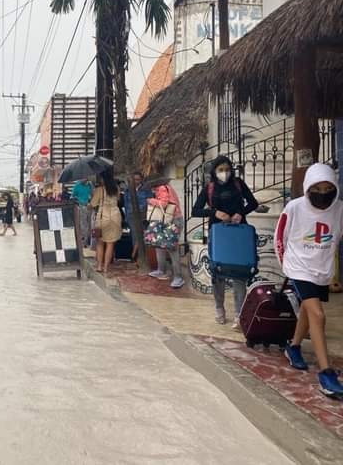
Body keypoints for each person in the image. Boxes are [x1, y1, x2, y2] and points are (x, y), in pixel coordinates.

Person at [275, 163, 343, 398]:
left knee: (307, 308)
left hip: (322, 269)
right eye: (317, 187)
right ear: (308, 187)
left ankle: (293, 347)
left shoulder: (339, 209)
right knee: (318, 315)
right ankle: (326, 373)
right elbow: (280, 235)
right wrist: (286, 265)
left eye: (327, 188)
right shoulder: (294, 207)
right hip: (299, 267)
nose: (323, 193)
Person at [192, 155, 259, 327]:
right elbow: (196, 210)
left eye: (227, 169)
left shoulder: (238, 184)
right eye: (221, 170)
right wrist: (214, 212)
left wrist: (241, 213)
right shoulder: (210, 187)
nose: (225, 173)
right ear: (214, 171)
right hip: (218, 234)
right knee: (218, 273)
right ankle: (219, 308)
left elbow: (253, 202)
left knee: (240, 272)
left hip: (239, 233)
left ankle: (239, 313)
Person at [147, 177, 185, 289]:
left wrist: (150, 201)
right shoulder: (166, 188)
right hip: (168, 220)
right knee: (160, 244)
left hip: (173, 220)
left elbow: (163, 204)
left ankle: (178, 277)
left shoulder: (162, 188)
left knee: (172, 248)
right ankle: (161, 269)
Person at [89, 172, 122, 274]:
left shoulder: (100, 190)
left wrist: (90, 202)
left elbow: (92, 204)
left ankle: (99, 266)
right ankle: (106, 268)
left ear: (104, 179)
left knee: (100, 243)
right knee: (110, 244)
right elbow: (118, 200)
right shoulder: (116, 188)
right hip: (116, 217)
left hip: (103, 217)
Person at [124, 172, 154, 263]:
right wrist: (126, 216)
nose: (136, 181)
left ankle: (139, 255)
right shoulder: (128, 190)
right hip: (131, 214)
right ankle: (136, 255)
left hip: (142, 214)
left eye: (138, 179)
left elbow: (150, 201)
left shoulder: (146, 190)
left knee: (142, 234)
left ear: (141, 180)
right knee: (134, 234)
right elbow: (126, 203)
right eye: (135, 179)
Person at [72, 178, 94, 247]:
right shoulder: (77, 185)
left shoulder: (90, 185)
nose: (85, 179)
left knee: (90, 224)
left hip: (89, 206)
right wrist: (78, 201)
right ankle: (84, 241)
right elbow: (73, 196)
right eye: (83, 178)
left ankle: (89, 240)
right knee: (83, 224)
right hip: (81, 206)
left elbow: (93, 195)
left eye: (86, 178)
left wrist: (91, 199)